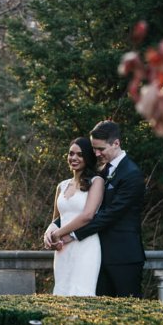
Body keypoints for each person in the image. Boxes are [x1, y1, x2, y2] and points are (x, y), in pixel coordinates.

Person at [47, 120, 146, 298]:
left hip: (123, 257)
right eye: (94, 149)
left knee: (127, 314)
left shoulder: (132, 174)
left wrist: (72, 236)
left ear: (116, 143)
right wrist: (52, 229)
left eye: (101, 149)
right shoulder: (102, 172)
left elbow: (108, 215)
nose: (97, 153)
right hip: (99, 255)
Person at [44, 136, 104, 296]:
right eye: (71, 153)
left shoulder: (96, 182)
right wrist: (48, 235)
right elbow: (56, 219)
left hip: (85, 246)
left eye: (80, 154)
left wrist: (58, 234)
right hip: (63, 249)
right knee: (62, 293)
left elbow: (88, 215)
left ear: (88, 158)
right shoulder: (62, 186)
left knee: (81, 293)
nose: (74, 158)